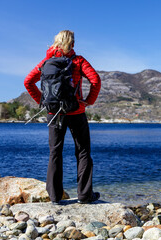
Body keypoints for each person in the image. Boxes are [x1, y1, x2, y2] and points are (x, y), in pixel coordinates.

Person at [24, 30, 102, 204]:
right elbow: (95, 80)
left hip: (54, 114)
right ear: (72, 44)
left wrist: (43, 101)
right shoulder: (78, 61)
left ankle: (54, 197)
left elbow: (28, 82)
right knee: (83, 152)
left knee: (55, 153)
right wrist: (88, 101)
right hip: (76, 111)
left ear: (55, 43)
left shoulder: (45, 63)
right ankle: (84, 195)